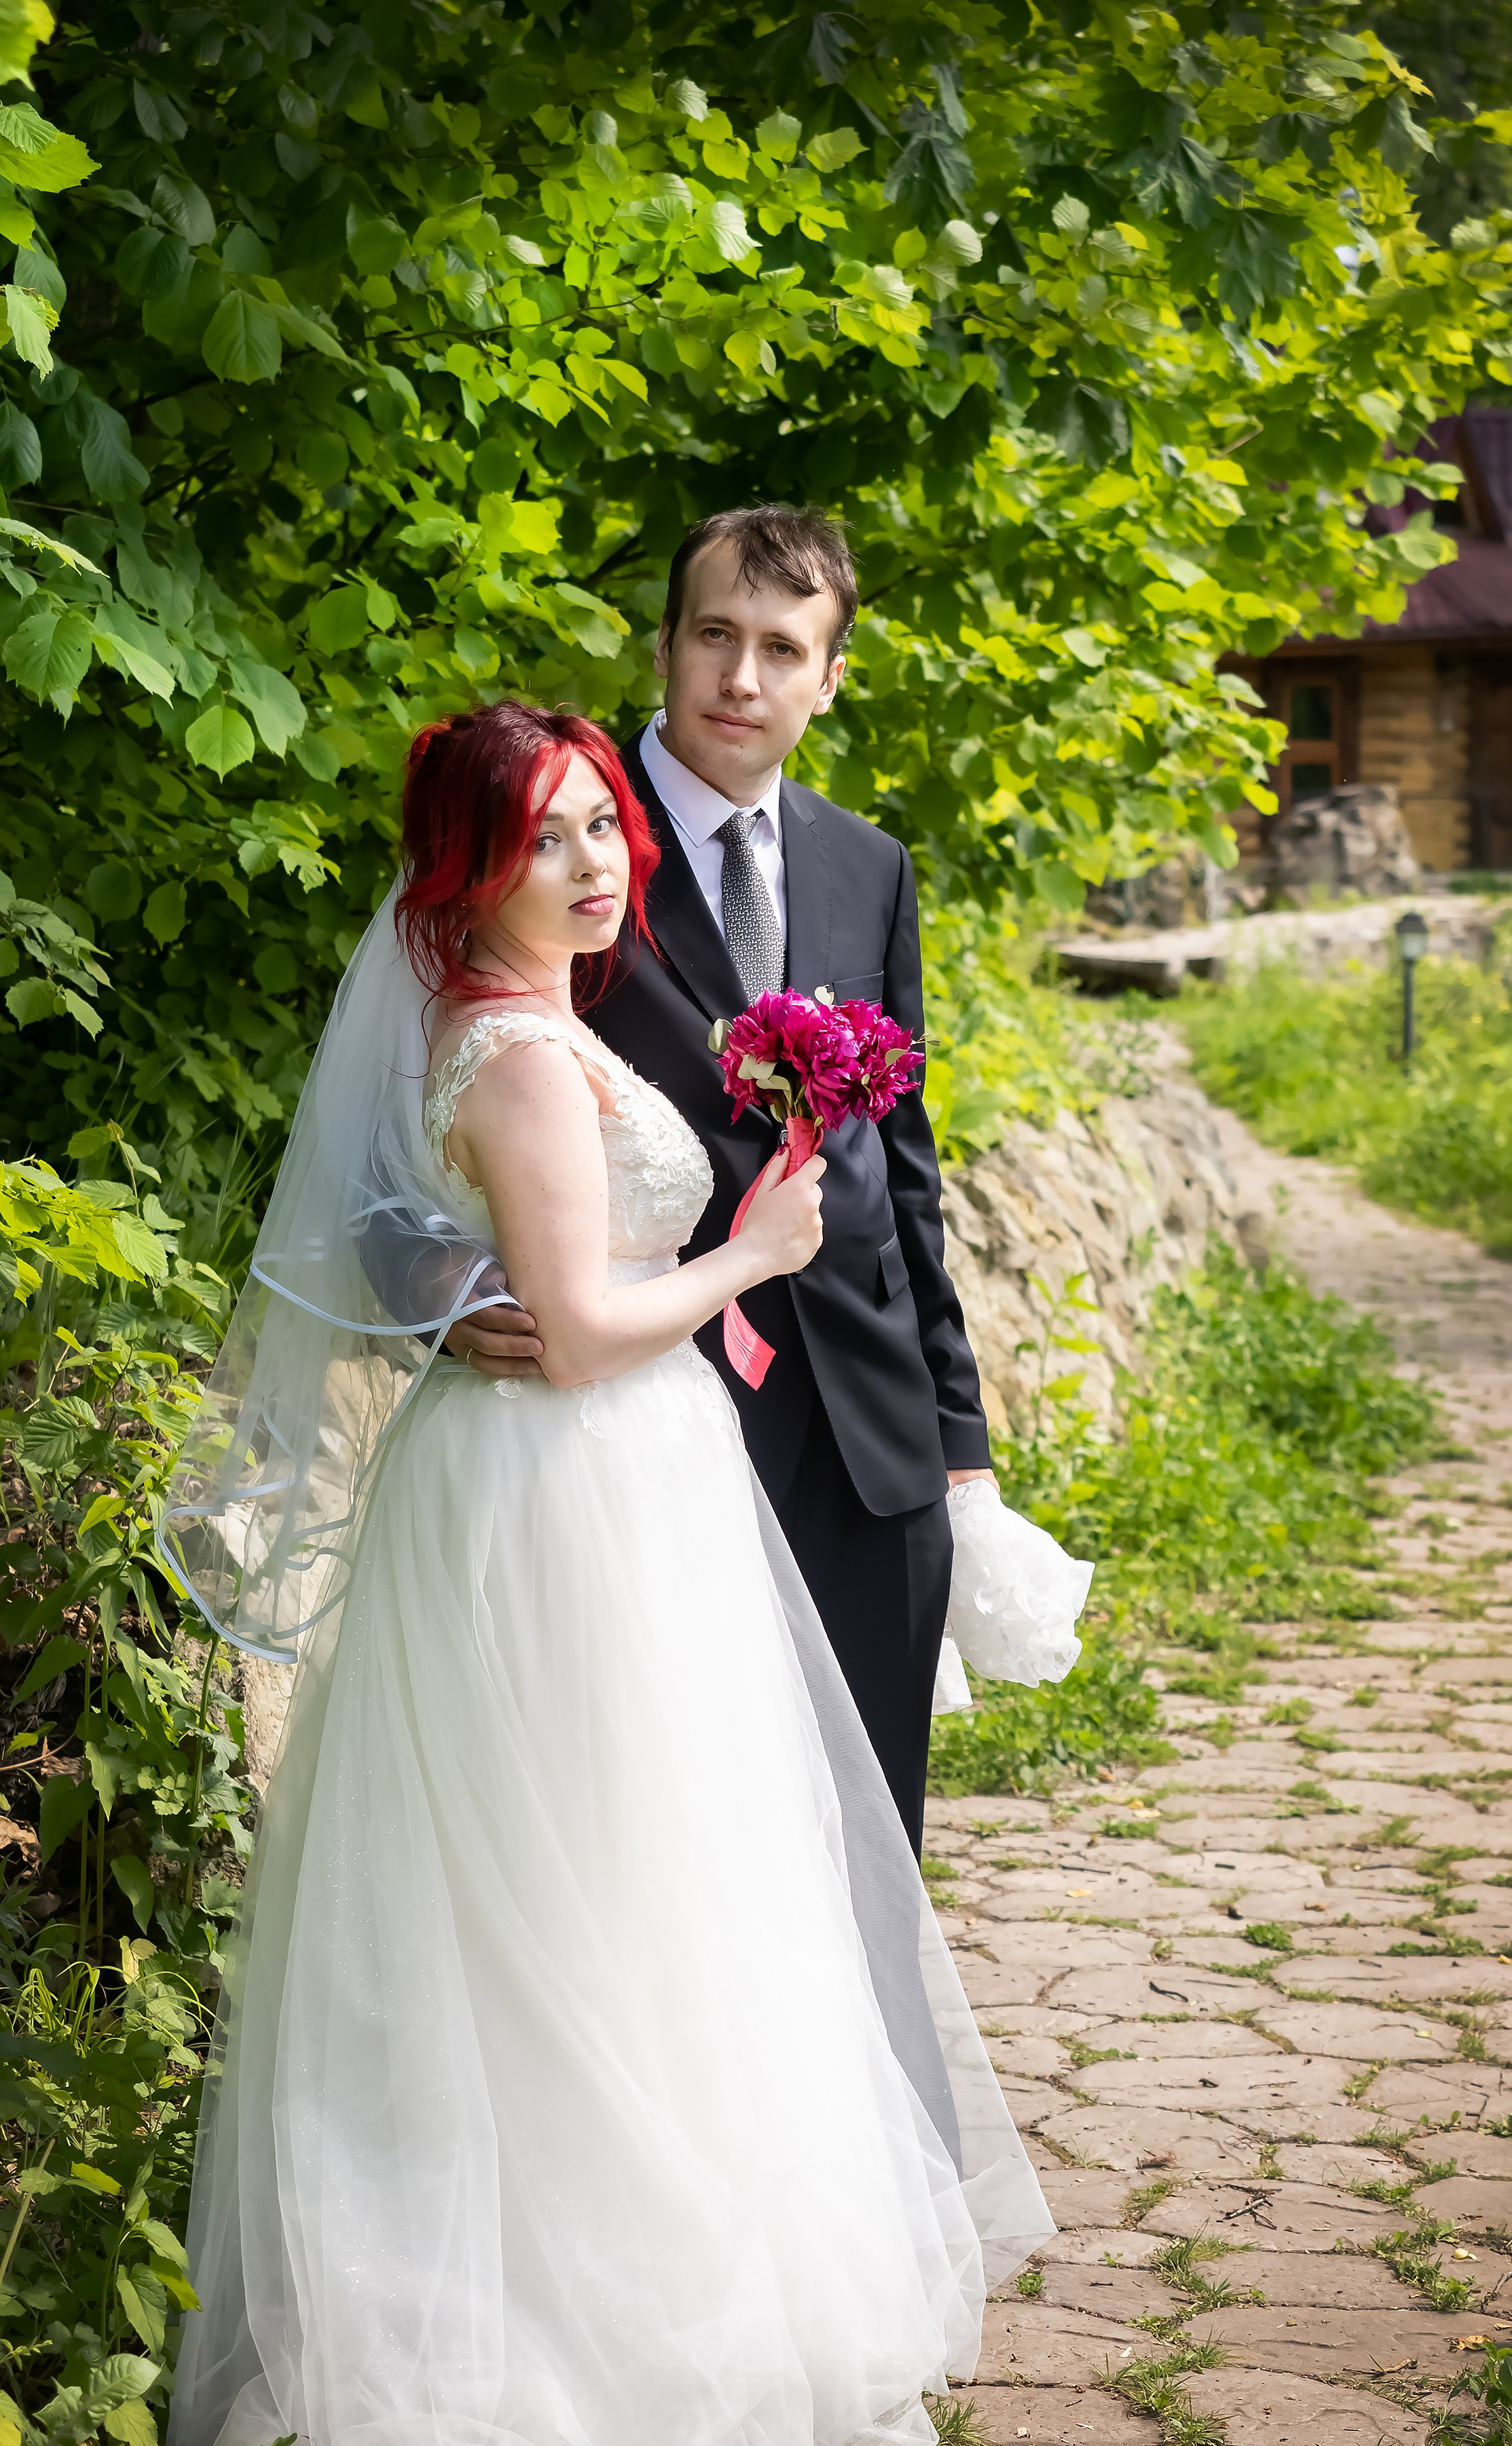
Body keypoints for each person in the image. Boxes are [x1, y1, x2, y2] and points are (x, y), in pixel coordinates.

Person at [162, 703, 1050, 2446]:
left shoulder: (513, 1020)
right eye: (543, 839)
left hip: (602, 1484)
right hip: (560, 1490)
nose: (587, 865)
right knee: (590, 1879)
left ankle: (639, 2266)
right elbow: (575, 1333)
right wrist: (750, 1252)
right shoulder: (510, 1049)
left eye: (593, 828)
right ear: (466, 865)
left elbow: (492, 1260)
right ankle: (570, 2329)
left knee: (628, 1882)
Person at [446, 506, 993, 1855]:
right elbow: (432, 1099)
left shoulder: (869, 867)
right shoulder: (555, 834)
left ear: (829, 675)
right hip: (649, 1438)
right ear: (663, 646)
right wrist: (435, 1284)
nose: (740, 680)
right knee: (677, 1857)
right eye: (713, 637)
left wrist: (957, 1442)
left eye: (780, 648)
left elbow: (902, 1170)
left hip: (871, 1443)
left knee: (871, 1854)